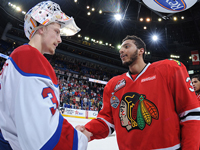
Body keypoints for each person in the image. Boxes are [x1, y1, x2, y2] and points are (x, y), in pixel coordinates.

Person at [80, 35, 200, 149]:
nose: (121, 50)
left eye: (126, 46)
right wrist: (88, 130)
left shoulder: (169, 69)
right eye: (121, 48)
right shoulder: (113, 85)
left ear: (140, 50)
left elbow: (190, 115)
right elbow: (107, 121)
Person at [0, 1, 91, 150]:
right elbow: (41, 136)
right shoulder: (30, 58)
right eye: (56, 31)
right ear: (41, 28)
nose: (60, 39)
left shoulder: (20, 56)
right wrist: (79, 140)